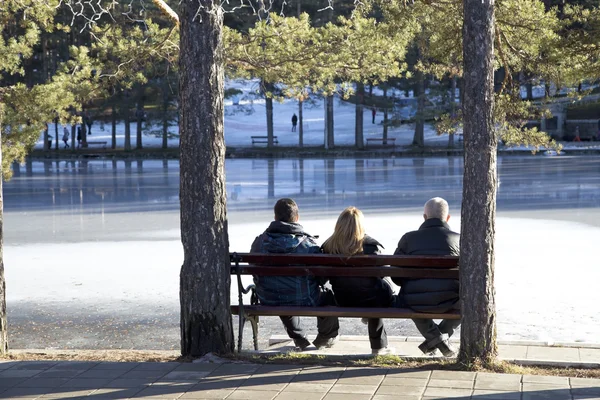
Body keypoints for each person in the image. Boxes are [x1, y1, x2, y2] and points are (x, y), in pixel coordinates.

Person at [251, 198, 339, 351]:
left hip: (269, 297)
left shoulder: (259, 242)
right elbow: (322, 276)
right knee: (327, 296)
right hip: (305, 298)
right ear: (296, 218)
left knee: (280, 290)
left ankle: (299, 339)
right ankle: (325, 337)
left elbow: (254, 269)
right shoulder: (308, 245)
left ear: (275, 218)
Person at [392, 197, 460, 357]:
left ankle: (436, 339)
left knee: (410, 299)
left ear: (424, 217)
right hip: (450, 300)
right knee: (468, 302)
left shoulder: (408, 238)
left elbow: (395, 275)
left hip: (414, 301)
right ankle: (440, 340)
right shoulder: (459, 239)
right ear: (448, 217)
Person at [321, 207, 394, 355]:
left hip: (342, 299)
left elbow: (321, 278)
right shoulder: (371, 247)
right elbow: (382, 272)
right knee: (376, 290)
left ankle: (325, 337)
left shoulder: (328, 247)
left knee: (328, 294)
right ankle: (378, 347)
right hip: (370, 300)